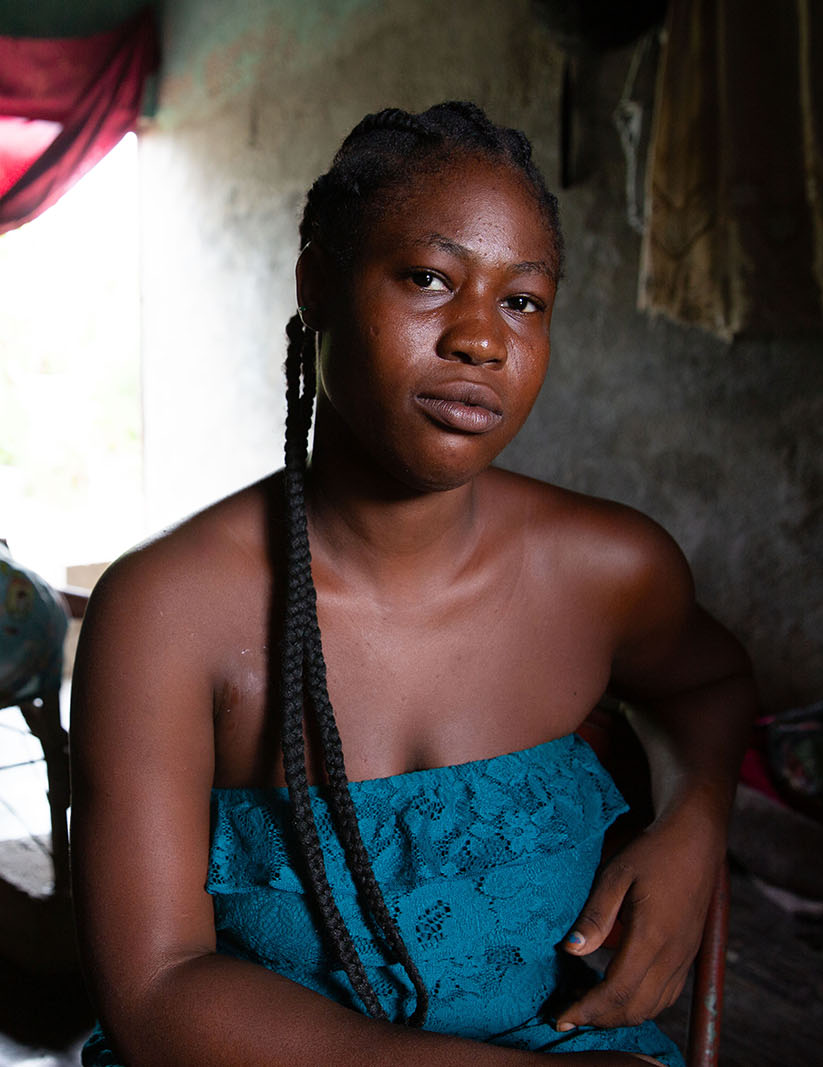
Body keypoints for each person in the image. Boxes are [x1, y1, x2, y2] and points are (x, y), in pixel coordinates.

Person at [69, 102, 756, 1066]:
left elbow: (711, 684)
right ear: (319, 285)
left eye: (523, 300)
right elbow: (157, 992)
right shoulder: (168, 614)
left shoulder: (609, 569)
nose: (480, 339)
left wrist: (695, 820)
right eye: (430, 279)